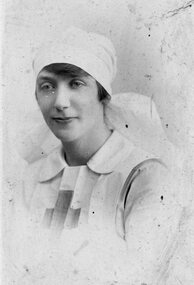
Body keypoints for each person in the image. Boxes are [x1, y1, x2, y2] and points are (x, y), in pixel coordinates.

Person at [12, 27, 183, 285]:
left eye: (76, 84)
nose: (60, 101)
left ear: (102, 94)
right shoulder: (30, 179)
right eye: (47, 86)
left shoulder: (145, 177)